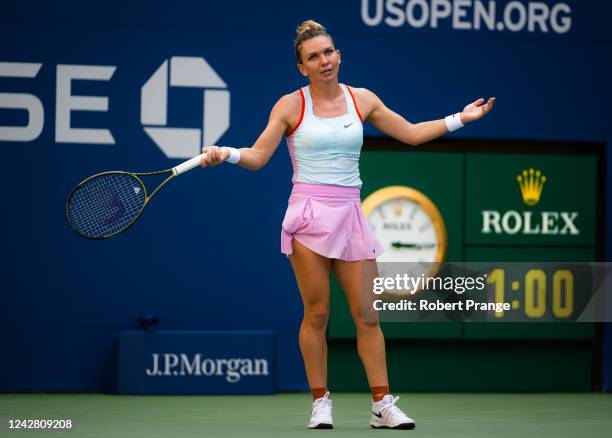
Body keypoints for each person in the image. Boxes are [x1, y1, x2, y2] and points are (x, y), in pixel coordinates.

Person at [200, 20, 495, 430]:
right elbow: (258, 155)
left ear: (338, 54)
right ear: (302, 67)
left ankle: (381, 404)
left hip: (351, 216)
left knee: (368, 316)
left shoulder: (363, 100)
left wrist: (459, 119)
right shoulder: (290, 105)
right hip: (308, 217)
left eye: (329, 52)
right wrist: (226, 153)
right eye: (314, 57)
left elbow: (410, 133)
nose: (324, 61)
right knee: (317, 313)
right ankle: (321, 402)